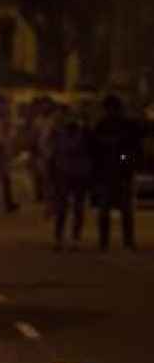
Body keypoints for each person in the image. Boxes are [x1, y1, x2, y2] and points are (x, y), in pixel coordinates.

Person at [89, 95, 141, 251]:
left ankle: (127, 240)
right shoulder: (102, 125)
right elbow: (95, 149)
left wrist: (122, 158)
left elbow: (132, 150)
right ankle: (105, 241)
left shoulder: (128, 125)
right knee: (106, 210)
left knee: (125, 210)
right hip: (107, 172)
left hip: (121, 172)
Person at [51, 110, 92, 249]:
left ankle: (74, 237)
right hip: (65, 174)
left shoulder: (84, 134)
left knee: (77, 208)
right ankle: (59, 237)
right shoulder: (60, 135)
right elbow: (55, 154)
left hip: (78, 174)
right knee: (63, 208)